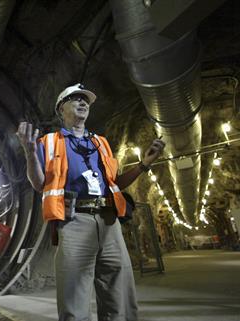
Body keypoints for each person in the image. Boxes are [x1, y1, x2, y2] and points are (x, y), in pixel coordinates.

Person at [16, 83, 165, 321]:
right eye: (75, 98)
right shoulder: (49, 142)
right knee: (74, 297)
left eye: (85, 99)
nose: (83, 102)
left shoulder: (101, 143)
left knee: (120, 293)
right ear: (60, 109)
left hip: (109, 221)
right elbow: (38, 183)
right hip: (74, 221)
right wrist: (30, 152)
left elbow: (114, 183)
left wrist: (144, 164)